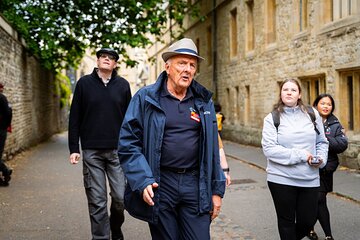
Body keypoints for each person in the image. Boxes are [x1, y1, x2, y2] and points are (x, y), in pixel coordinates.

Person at [118, 38, 226, 239]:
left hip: (195, 182)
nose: (187, 69)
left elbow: (212, 147)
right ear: (167, 67)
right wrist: (143, 179)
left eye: (192, 65)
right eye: (181, 63)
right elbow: (128, 143)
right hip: (161, 182)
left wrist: (217, 190)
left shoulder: (203, 101)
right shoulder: (146, 98)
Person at [68, 48, 131, 240]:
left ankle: (115, 226)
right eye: (103, 57)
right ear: (97, 61)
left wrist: (133, 147)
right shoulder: (84, 84)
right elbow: (75, 117)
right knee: (97, 201)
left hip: (117, 152)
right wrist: (73, 148)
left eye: (111, 58)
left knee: (121, 198)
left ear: (115, 64)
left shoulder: (123, 85)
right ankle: (101, 237)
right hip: (91, 151)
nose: (107, 60)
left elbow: (131, 119)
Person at [261, 78, 329, 240]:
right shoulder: (272, 118)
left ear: (299, 94)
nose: (289, 92)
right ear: (281, 94)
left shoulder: (312, 114)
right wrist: (301, 155)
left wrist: (320, 159)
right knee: (286, 222)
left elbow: (322, 142)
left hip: (309, 177)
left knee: (308, 220)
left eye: (293, 90)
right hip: (281, 178)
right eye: (285, 89)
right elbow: (269, 149)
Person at [307, 94, 348, 240]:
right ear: (316, 104)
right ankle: (313, 230)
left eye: (329, 104)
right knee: (312, 200)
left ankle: (327, 235)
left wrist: (323, 138)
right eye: (322, 103)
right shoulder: (308, 120)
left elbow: (342, 144)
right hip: (308, 167)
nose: (326, 106)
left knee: (319, 199)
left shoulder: (335, 123)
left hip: (326, 170)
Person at [0, 83, 13, 187]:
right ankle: (5, 172)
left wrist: (4, 126)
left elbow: (8, 113)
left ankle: (5, 171)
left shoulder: (2, 98)